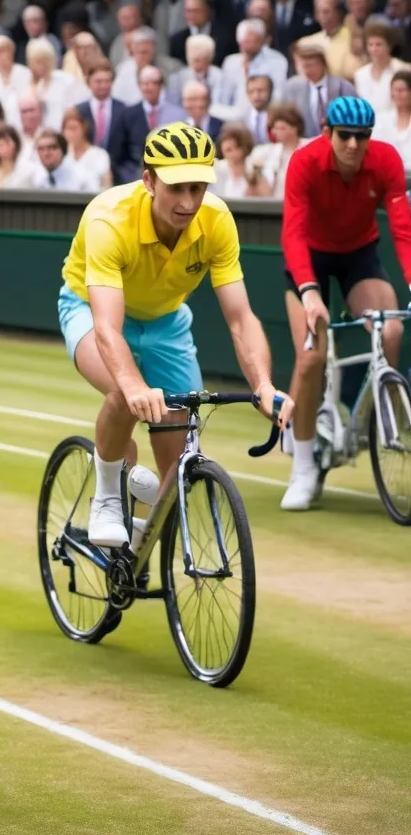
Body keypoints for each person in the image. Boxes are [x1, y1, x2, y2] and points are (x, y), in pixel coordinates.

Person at [57, 122, 293, 546]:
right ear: (148, 181)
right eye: (177, 188)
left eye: (198, 188)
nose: (188, 203)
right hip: (90, 312)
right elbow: (108, 327)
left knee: (180, 469)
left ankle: (142, 541)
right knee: (123, 392)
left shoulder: (217, 220)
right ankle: (108, 496)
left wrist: (263, 385)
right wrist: (133, 385)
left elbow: (241, 318)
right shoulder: (108, 218)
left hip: (166, 321)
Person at [280, 96, 411, 510]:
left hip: (359, 253)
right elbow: (293, 233)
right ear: (327, 132)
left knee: (391, 327)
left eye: (362, 136)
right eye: (345, 136)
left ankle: (376, 422)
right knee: (312, 357)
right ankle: (302, 468)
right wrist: (309, 290)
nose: (354, 144)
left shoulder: (386, 161)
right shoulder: (304, 162)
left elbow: (403, 230)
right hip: (309, 258)